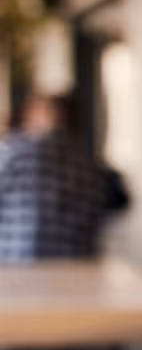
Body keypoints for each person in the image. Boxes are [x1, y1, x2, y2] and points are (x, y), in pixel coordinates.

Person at [0, 94, 121, 262]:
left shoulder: (11, 154)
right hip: (78, 271)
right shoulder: (94, 167)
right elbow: (119, 205)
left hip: (15, 268)